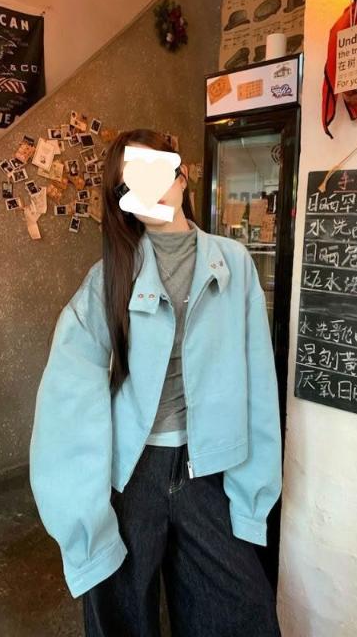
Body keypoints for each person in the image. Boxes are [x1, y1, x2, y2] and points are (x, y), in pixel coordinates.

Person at [29, 128, 283, 636]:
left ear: (181, 174)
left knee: (242, 615)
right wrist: (83, 514)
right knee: (120, 617)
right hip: (132, 474)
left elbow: (259, 382)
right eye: (130, 184)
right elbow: (68, 399)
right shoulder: (109, 278)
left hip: (211, 469)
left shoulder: (235, 264)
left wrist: (254, 494)